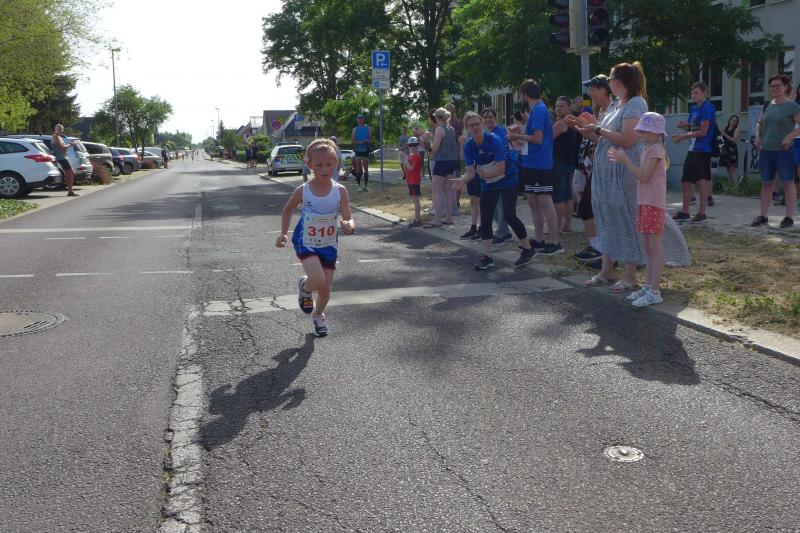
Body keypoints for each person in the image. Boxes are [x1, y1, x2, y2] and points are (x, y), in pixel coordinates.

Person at [567, 62, 689, 291]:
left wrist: (596, 129)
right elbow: (605, 138)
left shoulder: (635, 104)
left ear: (618, 82)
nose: (608, 82)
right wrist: (586, 130)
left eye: (610, 79)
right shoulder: (616, 104)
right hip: (607, 171)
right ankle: (607, 270)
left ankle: (630, 274)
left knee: (627, 219)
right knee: (608, 218)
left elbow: (628, 140)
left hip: (623, 172)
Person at [276, 138, 355, 337]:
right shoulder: (303, 190)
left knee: (326, 288)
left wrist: (349, 225)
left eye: (329, 164)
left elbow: (348, 217)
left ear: (336, 164)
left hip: (328, 244)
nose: (324, 169)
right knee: (318, 280)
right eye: (319, 165)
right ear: (309, 165)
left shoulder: (340, 191)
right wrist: (284, 233)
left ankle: (318, 315)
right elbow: (288, 209)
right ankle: (305, 287)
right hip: (306, 241)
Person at [608, 112, 685, 307]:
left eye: (645, 131)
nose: (641, 134)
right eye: (641, 130)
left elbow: (643, 176)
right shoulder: (649, 148)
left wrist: (625, 160)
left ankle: (654, 290)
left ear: (656, 132)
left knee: (654, 248)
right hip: (645, 202)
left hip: (653, 204)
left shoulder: (656, 150)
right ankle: (649, 286)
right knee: (648, 247)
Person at [452, 111, 534, 270]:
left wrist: (485, 174)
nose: (475, 127)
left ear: (481, 124)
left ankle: (527, 248)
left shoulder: (494, 140)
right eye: (471, 125)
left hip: (508, 179)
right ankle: (487, 256)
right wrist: (462, 180)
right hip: (489, 183)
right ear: (467, 128)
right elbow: (470, 171)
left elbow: (501, 168)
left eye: (477, 124)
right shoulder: (469, 146)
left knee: (509, 215)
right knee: (486, 219)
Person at [508, 79, 562, 256]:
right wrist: (522, 134)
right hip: (531, 162)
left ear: (525, 95)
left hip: (540, 162)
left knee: (545, 200)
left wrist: (518, 137)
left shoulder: (539, 110)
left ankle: (554, 241)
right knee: (533, 201)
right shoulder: (536, 110)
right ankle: (538, 239)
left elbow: (538, 138)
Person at [570, 75, 612, 268]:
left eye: (593, 89)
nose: (590, 93)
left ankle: (606, 252)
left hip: (611, 167)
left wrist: (586, 127)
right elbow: (597, 138)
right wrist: (579, 127)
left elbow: (607, 139)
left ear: (604, 89)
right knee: (587, 207)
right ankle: (598, 248)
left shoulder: (614, 110)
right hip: (598, 165)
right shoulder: (600, 110)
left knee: (594, 208)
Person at [751, 74, 800, 229]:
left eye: (778, 85)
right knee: (766, 184)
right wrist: (757, 137)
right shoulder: (767, 105)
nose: (775, 88)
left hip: (783, 151)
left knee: (787, 183)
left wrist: (789, 137)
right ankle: (763, 216)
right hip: (766, 151)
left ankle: (789, 217)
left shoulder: (792, 106)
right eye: (772, 86)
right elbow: (759, 124)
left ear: (785, 87)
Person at [672, 81, 716, 224]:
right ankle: (685, 212)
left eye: (696, 92)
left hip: (703, 149)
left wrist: (683, 137)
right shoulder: (693, 109)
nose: (693, 95)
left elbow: (703, 131)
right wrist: (684, 126)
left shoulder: (707, 108)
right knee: (686, 180)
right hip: (692, 148)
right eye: (692, 93)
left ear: (705, 93)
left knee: (701, 180)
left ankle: (702, 213)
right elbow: (693, 126)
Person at [423, 107, 460, 228]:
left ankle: (437, 219)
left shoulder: (439, 128)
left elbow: (435, 148)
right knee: (449, 191)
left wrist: (429, 139)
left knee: (437, 191)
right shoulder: (451, 128)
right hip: (451, 161)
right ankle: (449, 218)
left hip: (441, 162)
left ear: (437, 117)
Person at [481, 108, 513, 243]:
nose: (488, 119)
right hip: (490, 172)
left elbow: (501, 153)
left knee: (499, 203)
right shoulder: (486, 132)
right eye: (485, 117)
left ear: (495, 118)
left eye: (490, 117)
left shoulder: (499, 132)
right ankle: (504, 230)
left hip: (501, 172)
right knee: (492, 204)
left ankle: (502, 233)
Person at [553, 96, 581, 234]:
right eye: (557, 106)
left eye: (561, 106)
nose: (558, 108)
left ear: (569, 107)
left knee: (558, 195)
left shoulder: (563, 123)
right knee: (567, 194)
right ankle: (567, 225)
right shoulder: (573, 121)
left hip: (559, 161)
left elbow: (547, 138)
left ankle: (557, 226)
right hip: (569, 161)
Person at [52, 124, 79, 196]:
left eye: (61, 129)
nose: (60, 130)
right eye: (59, 129)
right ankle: (70, 191)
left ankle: (70, 191)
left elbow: (63, 147)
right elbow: (62, 147)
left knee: (68, 174)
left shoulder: (59, 137)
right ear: (55, 129)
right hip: (61, 158)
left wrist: (69, 144)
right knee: (71, 173)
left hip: (63, 157)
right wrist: (71, 144)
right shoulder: (55, 136)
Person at [402, 136, 423, 226]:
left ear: (418, 145)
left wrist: (404, 159)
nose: (412, 147)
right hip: (410, 180)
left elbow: (410, 168)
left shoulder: (416, 156)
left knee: (416, 200)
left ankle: (418, 220)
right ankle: (417, 219)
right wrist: (404, 160)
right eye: (410, 145)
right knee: (414, 200)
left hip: (415, 181)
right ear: (408, 146)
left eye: (414, 145)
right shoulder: (411, 156)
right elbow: (406, 169)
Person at [351, 114, 372, 191]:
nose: (360, 120)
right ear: (357, 120)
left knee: (366, 169)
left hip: (366, 150)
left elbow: (371, 140)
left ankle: (366, 186)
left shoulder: (368, 128)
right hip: (358, 150)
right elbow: (353, 141)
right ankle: (359, 186)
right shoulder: (355, 129)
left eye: (361, 118)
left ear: (364, 119)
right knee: (358, 169)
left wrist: (366, 141)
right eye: (359, 118)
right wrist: (360, 142)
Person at [720, 115, 740, 187]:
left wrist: (724, 134)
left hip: (732, 150)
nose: (733, 121)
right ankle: (730, 186)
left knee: (733, 168)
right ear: (729, 120)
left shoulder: (736, 129)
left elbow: (734, 140)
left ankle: (736, 186)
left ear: (737, 122)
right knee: (728, 168)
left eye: (735, 120)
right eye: (732, 120)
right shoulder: (725, 128)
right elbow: (721, 137)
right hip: (725, 149)